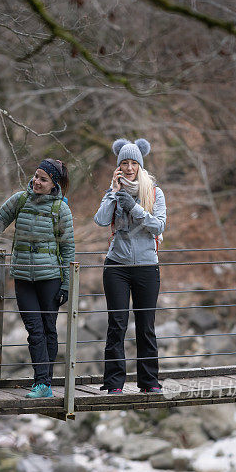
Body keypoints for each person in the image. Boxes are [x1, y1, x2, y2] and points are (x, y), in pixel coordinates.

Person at [0, 158, 74, 398]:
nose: (37, 182)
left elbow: (68, 249)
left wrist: (67, 283)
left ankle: (44, 384)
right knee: (34, 329)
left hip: (50, 277)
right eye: (36, 176)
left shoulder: (60, 209)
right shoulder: (20, 200)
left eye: (43, 179)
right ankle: (42, 384)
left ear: (54, 184)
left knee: (49, 329)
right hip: (22, 277)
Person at [94, 137, 166, 394]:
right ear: (118, 166)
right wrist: (114, 194)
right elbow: (101, 220)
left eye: (133, 162)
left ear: (140, 165)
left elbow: (158, 226)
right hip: (117, 267)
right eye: (123, 162)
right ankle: (114, 383)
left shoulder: (155, 193)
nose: (128, 168)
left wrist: (134, 207)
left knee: (146, 325)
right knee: (117, 324)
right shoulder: (113, 191)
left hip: (147, 267)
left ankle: (149, 382)